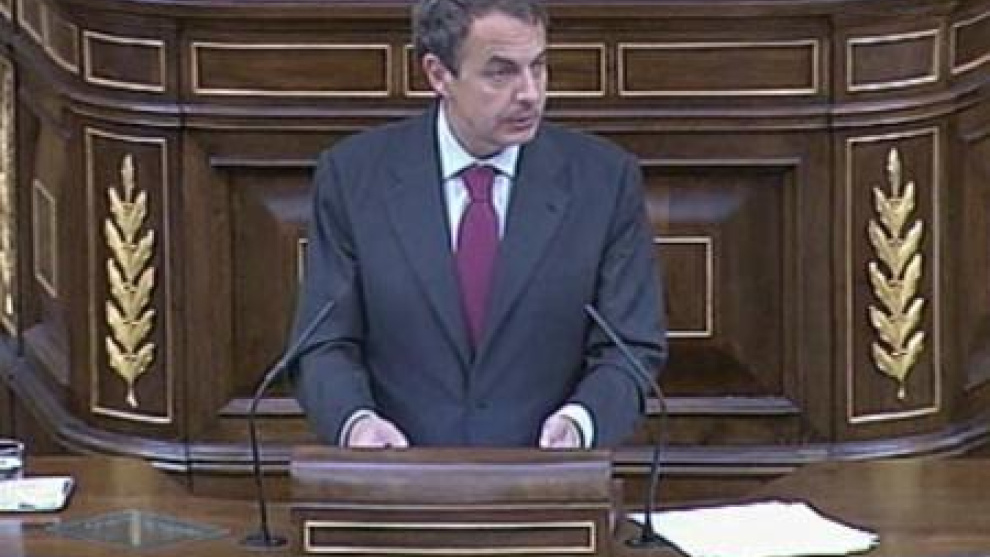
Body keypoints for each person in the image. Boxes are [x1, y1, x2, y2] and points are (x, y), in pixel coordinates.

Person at [291, 0, 666, 449]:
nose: (530, 93)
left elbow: (630, 346)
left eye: (538, 67)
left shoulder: (604, 181)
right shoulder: (354, 177)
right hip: (399, 474)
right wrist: (357, 424)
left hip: (548, 476)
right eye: (501, 73)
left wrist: (582, 421)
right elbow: (323, 342)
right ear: (438, 75)